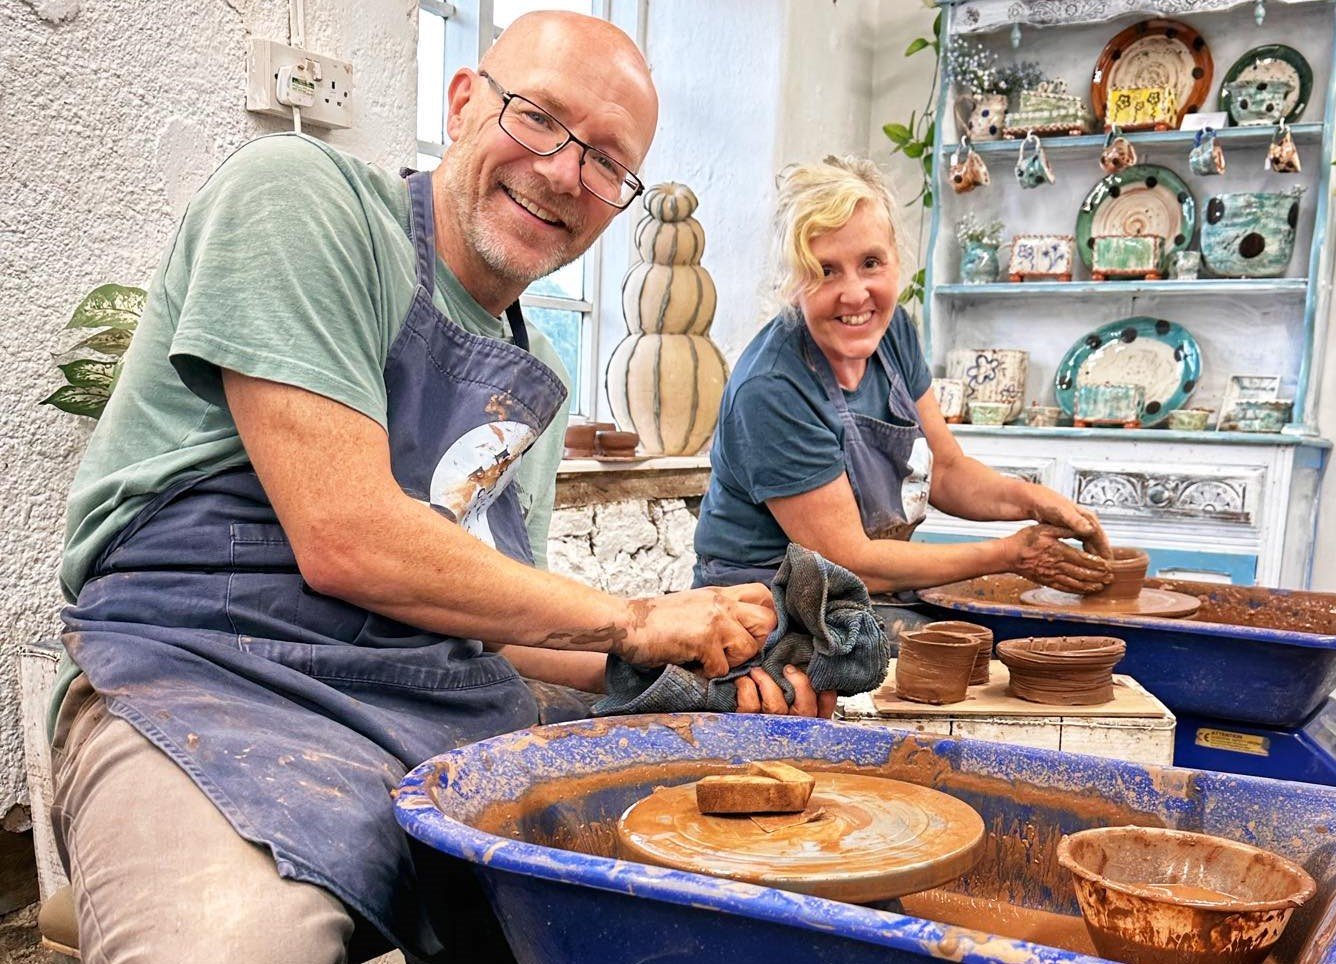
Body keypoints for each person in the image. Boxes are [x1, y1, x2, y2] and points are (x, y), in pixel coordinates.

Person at [49, 12, 817, 964]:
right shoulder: (302, 197)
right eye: (539, 118)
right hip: (207, 685)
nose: (565, 173)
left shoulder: (528, 378)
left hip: (434, 703)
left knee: (687, 896)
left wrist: (691, 673)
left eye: (609, 165)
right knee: (242, 946)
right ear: (463, 104)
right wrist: (632, 619)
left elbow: (501, 629)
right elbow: (347, 535)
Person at [693, 156, 1113, 632]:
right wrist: (1007, 555)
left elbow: (946, 472)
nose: (855, 295)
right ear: (794, 285)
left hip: (860, 596)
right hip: (765, 609)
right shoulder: (772, 388)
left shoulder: (891, 335)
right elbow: (850, 561)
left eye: (870, 263)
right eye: (826, 270)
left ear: (896, 263)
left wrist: (1034, 499)